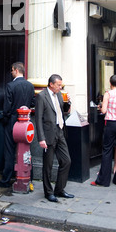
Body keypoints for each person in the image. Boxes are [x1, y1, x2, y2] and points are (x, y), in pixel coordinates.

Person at [0, 62, 35, 188]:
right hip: (26, 122)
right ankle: (28, 177)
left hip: (12, 121)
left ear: (16, 70)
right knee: (26, 150)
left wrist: (6, 119)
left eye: (12, 70)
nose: (11, 72)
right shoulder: (30, 86)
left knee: (10, 151)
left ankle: (6, 180)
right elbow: (33, 102)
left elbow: (7, 106)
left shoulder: (10, 85)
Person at [35, 74, 74, 202]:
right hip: (48, 134)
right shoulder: (41, 96)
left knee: (66, 161)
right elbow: (38, 119)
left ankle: (59, 189)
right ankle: (48, 192)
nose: (60, 87)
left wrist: (68, 103)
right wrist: (41, 138)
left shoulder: (59, 95)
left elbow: (62, 112)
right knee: (48, 165)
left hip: (60, 131)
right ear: (51, 84)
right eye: (58, 85)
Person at [91, 74, 116, 187]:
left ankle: (103, 180)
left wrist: (101, 107)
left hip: (110, 124)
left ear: (110, 83)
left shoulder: (108, 94)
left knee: (107, 150)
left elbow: (104, 110)